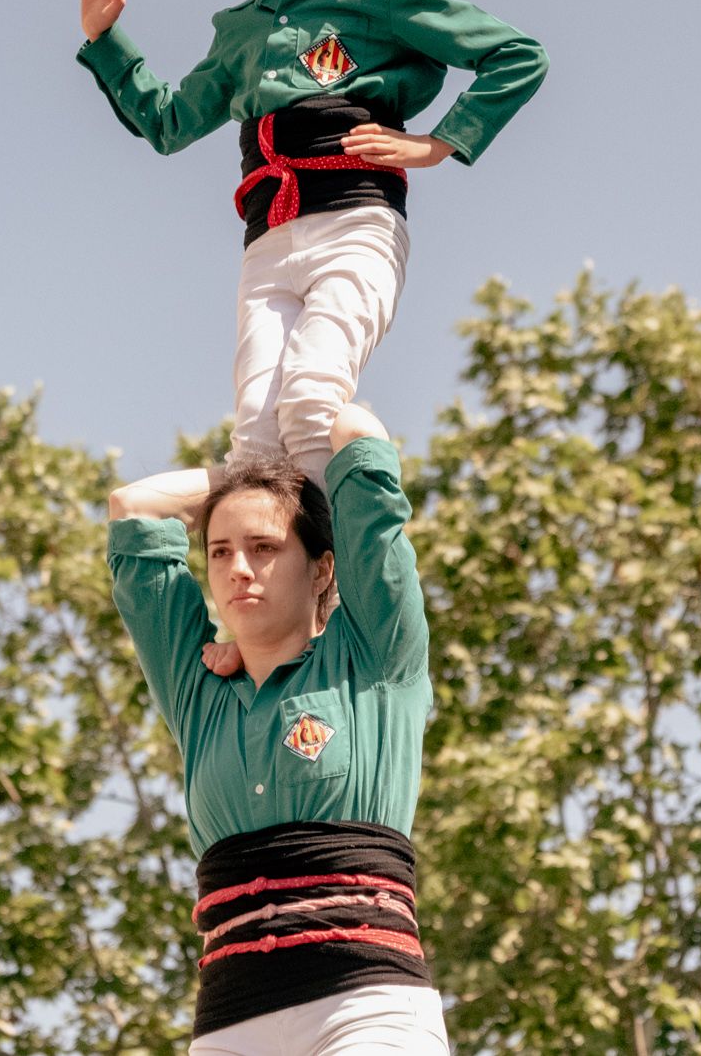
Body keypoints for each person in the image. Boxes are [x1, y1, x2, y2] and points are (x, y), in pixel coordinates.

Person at [76, 0, 547, 490]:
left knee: (311, 398)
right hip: (267, 242)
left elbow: (516, 55)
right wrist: (106, 40)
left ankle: (353, 570)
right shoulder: (242, 29)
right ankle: (287, 594)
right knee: (256, 439)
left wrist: (440, 142)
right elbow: (168, 123)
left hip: (353, 222)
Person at [107, 404, 449, 1054]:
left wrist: (284, 464)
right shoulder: (197, 691)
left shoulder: (375, 655)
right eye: (220, 550)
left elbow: (354, 431)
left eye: (264, 547)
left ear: (322, 568)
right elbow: (133, 506)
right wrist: (242, 477)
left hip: (364, 1003)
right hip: (232, 1022)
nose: (239, 567)